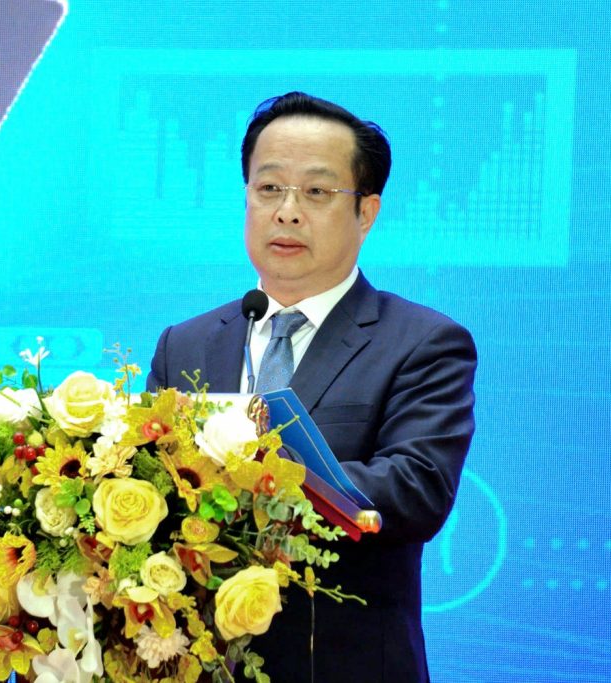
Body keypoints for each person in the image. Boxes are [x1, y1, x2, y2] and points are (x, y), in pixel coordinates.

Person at [146, 92, 477, 683]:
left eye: (317, 192)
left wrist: (254, 480)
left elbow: (417, 487)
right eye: (269, 188)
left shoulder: (422, 342)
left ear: (366, 212)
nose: (287, 211)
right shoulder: (185, 345)